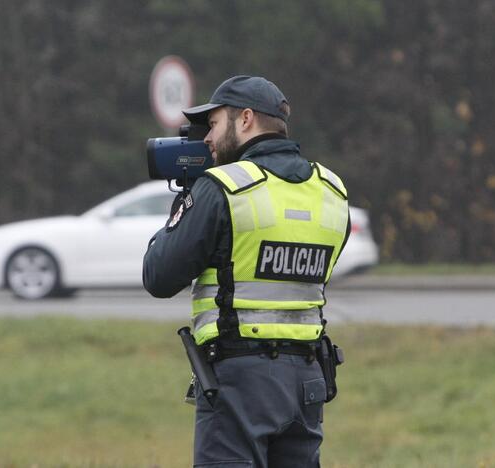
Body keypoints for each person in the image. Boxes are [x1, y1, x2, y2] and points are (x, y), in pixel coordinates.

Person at [143, 75, 350, 468]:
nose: (206, 138)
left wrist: (187, 201)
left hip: (241, 379)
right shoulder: (331, 190)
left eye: (214, 124)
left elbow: (158, 275)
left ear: (246, 119)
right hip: (308, 381)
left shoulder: (224, 187)